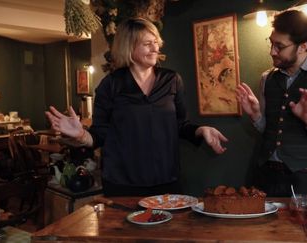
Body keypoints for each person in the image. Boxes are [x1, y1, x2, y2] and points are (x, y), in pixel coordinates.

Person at [46, 18, 228, 196]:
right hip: (123, 184)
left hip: (166, 181)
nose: (155, 48)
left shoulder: (172, 80)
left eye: (156, 42)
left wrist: (201, 130)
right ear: (129, 47)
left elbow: (181, 125)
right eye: (147, 43)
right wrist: (81, 135)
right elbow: (99, 135)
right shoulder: (110, 85)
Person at [236, 9, 307, 209]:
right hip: (265, 173)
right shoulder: (266, 78)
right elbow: (268, 129)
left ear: (302, 46)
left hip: (304, 176)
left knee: (302, 237)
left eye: (279, 46)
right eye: (271, 43)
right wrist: (255, 115)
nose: (272, 51)